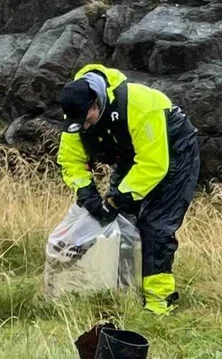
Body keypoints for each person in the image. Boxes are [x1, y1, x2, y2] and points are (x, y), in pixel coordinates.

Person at [56, 63, 200, 318]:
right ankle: (127, 290)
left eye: (86, 119)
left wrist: (119, 197)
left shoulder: (141, 105)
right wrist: (88, 194)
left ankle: (158, 303)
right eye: (77, 123)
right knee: (121, 222)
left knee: (156, 226)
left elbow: (154, 164)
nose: (83, 127)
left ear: (95, 104)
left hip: (174, 150)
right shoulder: (77, 117)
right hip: (130, 154)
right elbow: (70, 161)